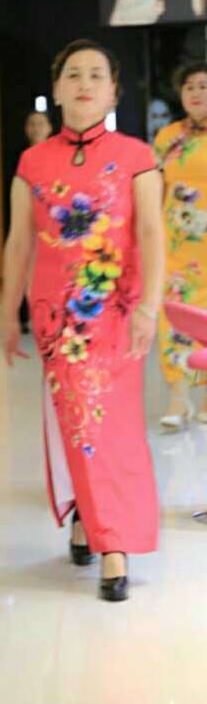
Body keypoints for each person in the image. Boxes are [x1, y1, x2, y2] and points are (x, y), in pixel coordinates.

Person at [2, 38, 164, 602]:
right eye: (73, 74)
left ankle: (104, 534)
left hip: (117, 311)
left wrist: (149, 306)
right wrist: (9, 312)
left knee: (113, 426)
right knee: (77, 421)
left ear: (114, 90)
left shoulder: (137, 155)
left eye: (97, 74)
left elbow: (151, 233)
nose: (84, 83)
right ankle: (95, 527)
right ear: (57, 88)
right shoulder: (32, 162)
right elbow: (19, 241)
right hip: (58, 318)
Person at [155, 62, 207, 429]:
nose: (196, 92)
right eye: (189, 86)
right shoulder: (167, 137)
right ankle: (179, 397)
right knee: (174, 320)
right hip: (175, 249)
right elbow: (155, 190)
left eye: (204, 86)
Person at [14, 111, 53, 332]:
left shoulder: (58, 154)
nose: (37, 128)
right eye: (32, 124)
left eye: (41, 123)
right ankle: (23, 317)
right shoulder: (22, 157)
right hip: (27, 221)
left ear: (49, 127)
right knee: (23, 268)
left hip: (52, 221)